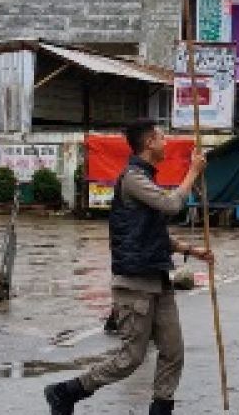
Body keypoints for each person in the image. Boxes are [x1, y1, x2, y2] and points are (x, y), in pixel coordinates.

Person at [45, 119, 211, 415]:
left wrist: (192, 250)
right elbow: (171, 205)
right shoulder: (133, 178)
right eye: (162, 138)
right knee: (130, 358)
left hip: (158, 280)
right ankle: (66, 391)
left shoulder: (147, 177)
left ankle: (161, 409)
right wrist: (193, 173)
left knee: (173, 352)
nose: (166, 143)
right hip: (134, 284)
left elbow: (151, 232)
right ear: (149, 143)